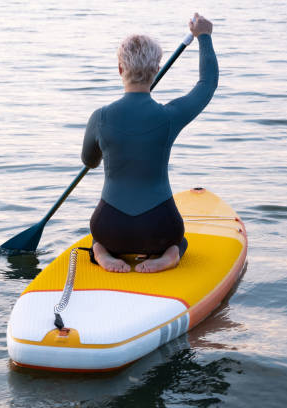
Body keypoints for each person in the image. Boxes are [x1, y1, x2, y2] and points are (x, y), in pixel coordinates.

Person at [81, 13, 218, 273]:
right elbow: (206, 85)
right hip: (160, 228)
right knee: (180, 241)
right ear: (156, 70)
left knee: (98, 239)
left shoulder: (100, 117)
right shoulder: (169, 116)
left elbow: (89, 161)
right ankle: (170, 255)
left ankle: (101, 253)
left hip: (110, 228)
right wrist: (205, 37)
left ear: (120, 69)